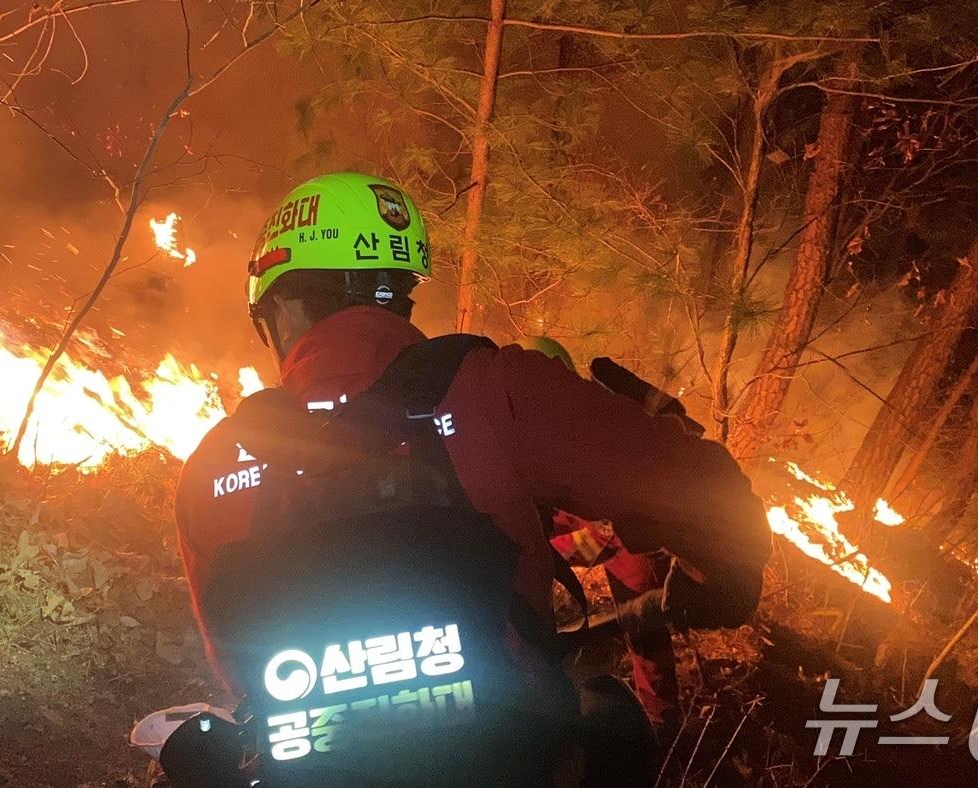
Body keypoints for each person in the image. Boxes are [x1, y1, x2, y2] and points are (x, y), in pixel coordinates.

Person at [169, 172, 769, 786]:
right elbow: (702, 493)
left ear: (282, 309)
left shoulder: (212, 465)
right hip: (502, 762)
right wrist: (725, 573)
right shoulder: (490, 387)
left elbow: (236, 664)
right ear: (397, 293)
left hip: (311, 772)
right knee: (613, 728)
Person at [515, 336, 682, 737]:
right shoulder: (529, 420)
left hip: (626, 530)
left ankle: (662, 726)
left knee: (643, 625)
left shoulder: (597, 422)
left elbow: (608, 527)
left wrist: (542, 554)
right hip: (588, 517)